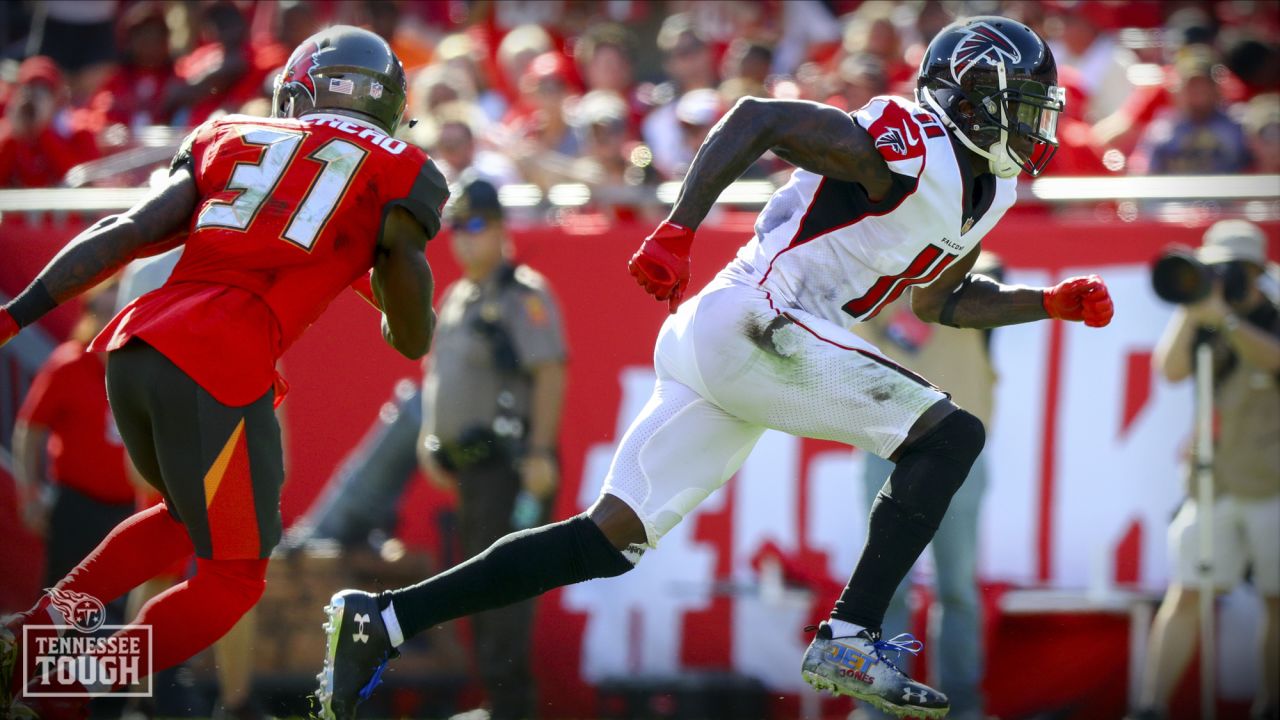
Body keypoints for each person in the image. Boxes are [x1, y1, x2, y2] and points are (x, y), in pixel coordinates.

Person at [319, 16, 1114, 720]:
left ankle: (383, 620)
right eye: (1019, 102)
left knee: (607, 540)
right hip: (761, 318)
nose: (1032, 123)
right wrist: (678, 228)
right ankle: (849, 634)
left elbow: (941, 301)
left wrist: (1045, 303)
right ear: (967, 96)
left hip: (753, 336)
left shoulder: (986, 188)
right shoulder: (914, 146)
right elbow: (760, 117)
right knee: (948, 438)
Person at [0, 25, 447, 716]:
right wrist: (399, 316)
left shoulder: (228, 133)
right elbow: (410, 311)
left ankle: (37, 635)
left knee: (183, 520)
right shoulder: (399, 168)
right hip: (221, 363)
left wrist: (14, 315)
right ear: (389, 107)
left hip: (139, 346)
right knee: (235, 578)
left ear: (295, 91)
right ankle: (66, 676)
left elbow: (125, 231)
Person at [417, 177, 567, 720]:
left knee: (505, 593)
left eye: (475, 226)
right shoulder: (459, 297)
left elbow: (548, 373)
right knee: (479, 591)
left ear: (502, 229)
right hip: (473, 475)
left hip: (513, 468)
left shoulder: (521, 294)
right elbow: (438, 379)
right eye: (457, 227)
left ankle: (511, 706)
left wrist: (541, 453)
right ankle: (496, 702)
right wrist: (429, 441)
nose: (464, 239)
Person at [1130, 220, 1280, 720]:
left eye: (1232, 271)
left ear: (1258, 272)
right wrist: (1195, 311)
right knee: (1187, 592)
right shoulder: (1202, 316)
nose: (1223, 279)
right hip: (1212, 483)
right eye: (1212, 269)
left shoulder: (1273, 313)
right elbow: (1169, 371)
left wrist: (1230, 321)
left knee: (1276, 600)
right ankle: (1151, 707)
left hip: (1271, 481)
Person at [851, 252, 1004, 720]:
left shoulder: (976, 274)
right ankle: (881, 705)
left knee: (957, 586)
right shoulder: (873, 279)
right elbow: (852, 331)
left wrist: (923, 284)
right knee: (885, 586)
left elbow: (989, 282)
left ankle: (962, 706)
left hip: (959, 457)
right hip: (888, 452)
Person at [12, 281, 132, 592]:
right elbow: (29, 430)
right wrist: (29, 494)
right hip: (77, 507)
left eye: (117, 310)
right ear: (88, 313)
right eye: (102, 310)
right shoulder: (68, 363)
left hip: (134, 510)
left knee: (129, 613)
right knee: (66, 604)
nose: (110, 320)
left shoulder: (145, 365)